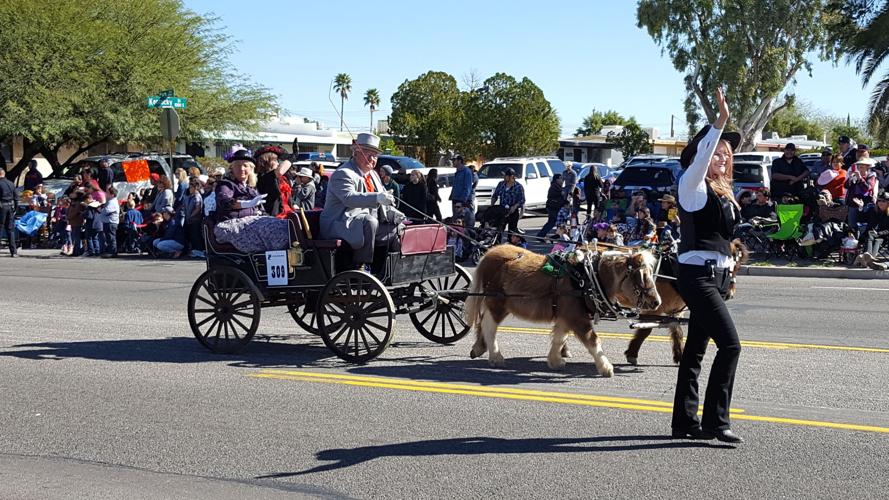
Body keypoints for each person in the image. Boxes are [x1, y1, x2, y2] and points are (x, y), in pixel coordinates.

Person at [672, 87, 744, 444]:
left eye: (727, 154)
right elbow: (701, 157)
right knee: (730, 345)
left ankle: (685, 422)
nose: (723, 157)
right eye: (717, 151)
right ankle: (716, 422)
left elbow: (723, 236)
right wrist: (721, 119)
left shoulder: (722, 191)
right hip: (696, 275)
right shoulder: (692, 184)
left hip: (716, 277)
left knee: (695, 351)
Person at [320, 133, 402, 270]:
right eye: (368, 154)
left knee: (398, 228)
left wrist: (393, 213)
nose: (372, 159)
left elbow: (383, 200)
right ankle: (361, 267)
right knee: (369, 222)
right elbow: (349, 198)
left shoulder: (373, 175)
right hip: (341, 223)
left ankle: (393, 269)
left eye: (375, 156)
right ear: (356, 153)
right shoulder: (343, 173)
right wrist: (377, 197)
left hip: (365, 224)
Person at [212, 149, 290, 254]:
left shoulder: (251, 188)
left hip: (251, 222)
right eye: (237, 165)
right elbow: (224, 202)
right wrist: (247, 204)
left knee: (284, 225)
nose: (241, 168)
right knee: (269, 230)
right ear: (232, 168)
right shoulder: (226, 184)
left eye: (245, 165)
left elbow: (262, 210)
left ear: (251, 168)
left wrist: (266, 216)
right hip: (229, 224)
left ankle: (283, 257)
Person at [254, 145, 295, 218]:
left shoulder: (282, 179)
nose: (278, 163)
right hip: (273, 218)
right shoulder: (262, 178)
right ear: (266, 162)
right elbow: (279, 171)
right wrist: (293, 158)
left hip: (287, 215)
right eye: (275, 160)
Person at [847, 157, 879, 230]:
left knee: (864, 224)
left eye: (862, 166)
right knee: (852, 224)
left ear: (867, 167)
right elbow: (846, 186)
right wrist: (850, 179)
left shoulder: (871, 176)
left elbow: (868, 187)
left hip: (865, 203)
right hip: (853, 202)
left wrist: (860, 178)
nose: (860, 168)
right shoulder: (854, 175)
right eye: (859, 166)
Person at [490, 168, 525, 234]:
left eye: (505, 175)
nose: (503, 177)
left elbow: (522, 200)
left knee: (511, 233)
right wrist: (491, 206)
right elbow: (495, 195)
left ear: (511, 176)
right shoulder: (501, 184)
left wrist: (515, 206)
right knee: (498, 231)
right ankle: (498, 240)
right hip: (502, 211)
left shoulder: (518, 187)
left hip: (512, 212)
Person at [449, 155, 476, 228]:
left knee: (465, 222)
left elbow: (467, 188)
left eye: (454, 160)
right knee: (456, 222)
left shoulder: (466, 172)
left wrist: (462, 201)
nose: (452, 162)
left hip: (463, 202)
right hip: (456, 200)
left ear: (459, 161)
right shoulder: (457, 172)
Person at [861, 191, 889, 257]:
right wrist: (861, 208)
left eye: (883, 201)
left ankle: (868, 256)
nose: (880, 203)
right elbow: (862, 219)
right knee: (869, 236)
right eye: (879, 201)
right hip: (870, 234)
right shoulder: (872, 210)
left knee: (877, 241)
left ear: (888, 203)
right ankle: (869, 256)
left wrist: (879, 233)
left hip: (883, 236)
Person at [183, 177, 204, 258]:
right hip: (189, 219)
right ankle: (194, 251)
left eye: (191, 187)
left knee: (196, 236)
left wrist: (191, 215)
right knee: (191, 236)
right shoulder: (190, 196)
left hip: (195, 220)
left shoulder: (197, 196)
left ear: (195, 188)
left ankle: (199, 251)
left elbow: (198, 208)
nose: (190, 189)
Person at [0, 167, 18, 257]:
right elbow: (16, 197)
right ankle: (13, 252)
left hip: (1, 207)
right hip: (10, 207)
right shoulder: (11, 183)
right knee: (10, 230)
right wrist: (15, 209)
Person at [98, 186, 120, 256]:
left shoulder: (112, 202)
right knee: (109, 237)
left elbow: (106, 211)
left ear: (112, 194)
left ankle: (112, 252)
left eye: (107, 193)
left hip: (111, 222)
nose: (106, 194)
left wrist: (100, 210)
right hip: (108, 222)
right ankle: (110, 251)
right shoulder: (110, 201)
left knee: (111, 237)